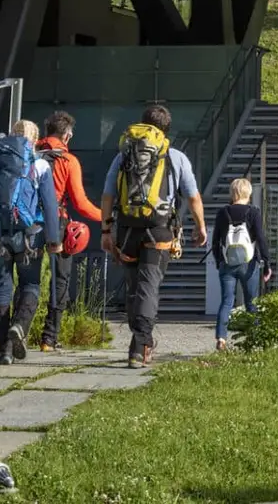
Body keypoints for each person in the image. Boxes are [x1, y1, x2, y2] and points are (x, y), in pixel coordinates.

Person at [100, 102, 205, 369]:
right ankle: (141, 345)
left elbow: (108, 194)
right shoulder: (176, 157)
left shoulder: (123, 154)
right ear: (166, 130)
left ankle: (138, 342)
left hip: (126, 229)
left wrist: (106, 230)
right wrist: (200, 226)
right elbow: (192, 196)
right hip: (159, 229)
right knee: (149, 285)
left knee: (134, 286)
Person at [0, 120, 60, 365]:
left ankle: (4, 351)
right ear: (34, 140)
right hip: (30, 236)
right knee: (30, 285)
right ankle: (19, 328)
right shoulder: (40, 165)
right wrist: (54, 239)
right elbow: (50, 205)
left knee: (1, 290)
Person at [35, 111, 102, 353]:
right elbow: (81, 204)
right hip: (58, 224)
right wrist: (107, 217)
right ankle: (48, 339)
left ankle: (17, 330)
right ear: (67, 135)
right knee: (60, 280)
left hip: (28, 222)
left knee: (28, 280)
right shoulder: (68, 161)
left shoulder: (30, 154)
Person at [212, 177, 269, 350]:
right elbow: (260, 238)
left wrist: (219, 262)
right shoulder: (254, 212)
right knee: (251, 302)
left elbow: (215, 241)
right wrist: (267, 262)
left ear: (232, 192)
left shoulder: (223, 212)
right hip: (249, 263)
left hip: (227, 263)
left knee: (226, 302)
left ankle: (221, 338)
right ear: (248, 192)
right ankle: (254, 337)